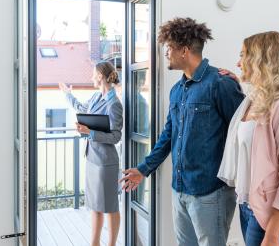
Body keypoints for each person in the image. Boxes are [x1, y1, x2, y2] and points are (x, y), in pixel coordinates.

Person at [120, 17, 244, 246]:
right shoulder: (177, 90)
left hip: (211, 191)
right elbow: (169, 135)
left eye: (169, 48)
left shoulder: (221, 83)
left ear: (184, 50)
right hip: (180, 189)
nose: (166, 53)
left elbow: (243, 134)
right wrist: (143, 169)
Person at [218, 31, 279, 246]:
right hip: (249, 207)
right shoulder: (253, 100)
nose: (238, 63)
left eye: (243, 56)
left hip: (275, 220)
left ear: (261, 60)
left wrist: (273, 233)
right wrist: (238, 81)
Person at [59, 61, 123, 246]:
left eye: (93, 74)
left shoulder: (114, 104)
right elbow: (82, 108)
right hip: (93, 159)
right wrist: (68, 94)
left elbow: (116, 136)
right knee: (95, 206)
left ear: (101, 76)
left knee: (109, 206)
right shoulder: (96, 97)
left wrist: (90, 133)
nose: (91, 77)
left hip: (105, 163)